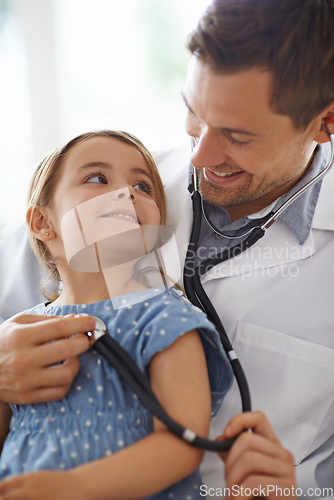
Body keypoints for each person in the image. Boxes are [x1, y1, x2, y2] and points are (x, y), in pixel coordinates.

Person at [0, 0, 334, 497]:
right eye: (193, 112)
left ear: (325, 122)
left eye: (237, 137)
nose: (199, 155)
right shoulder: (107, 192)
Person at [0, 130, 232, 499]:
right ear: (44, 223)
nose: (127, 192)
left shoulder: (166, 321)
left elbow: (182, 445)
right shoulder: (20, 334)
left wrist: (74, 487)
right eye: (97, 178)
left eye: (143, 186)